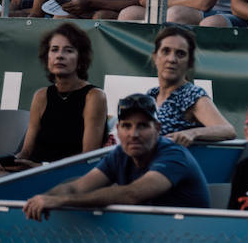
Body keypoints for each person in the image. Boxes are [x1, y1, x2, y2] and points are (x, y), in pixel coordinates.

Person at [0, 22, 107, 188]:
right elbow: (27, 151)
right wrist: (11, 161)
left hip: (65, 175)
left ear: (81, 59)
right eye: (54, 49)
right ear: (47, 58)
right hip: (32, 169)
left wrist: (41, 167)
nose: (60, 55)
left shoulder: (94, 96)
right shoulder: (41, 95)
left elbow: (87, 157)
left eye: (69, 50)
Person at [22, 93, 208, 220]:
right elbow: (77, 187)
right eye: (127, 126)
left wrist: (62, 201)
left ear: (157, 129)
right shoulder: (120, 154)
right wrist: (43, 199)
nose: (133, 134)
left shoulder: (174, 155)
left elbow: (132, 194)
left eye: (142, 126)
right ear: (118, 130)